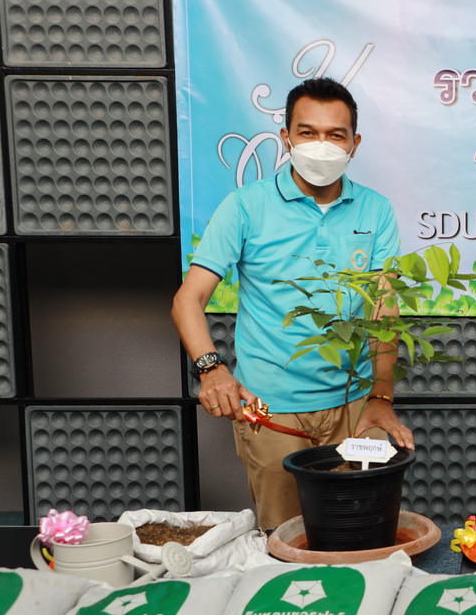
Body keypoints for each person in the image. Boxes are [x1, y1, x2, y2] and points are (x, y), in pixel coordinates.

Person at [171, 77, 414, 530]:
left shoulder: (376, 210)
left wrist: (381, 398)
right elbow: (189, 298)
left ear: (355, 143)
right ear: (286, 137)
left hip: (354, 404)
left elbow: (384, 309)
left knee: (360, 530)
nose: (321, 145)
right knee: (285, 537)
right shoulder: (244, 206)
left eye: (335, 134)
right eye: (307, 132)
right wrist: (211, 368)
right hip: (271, 411)